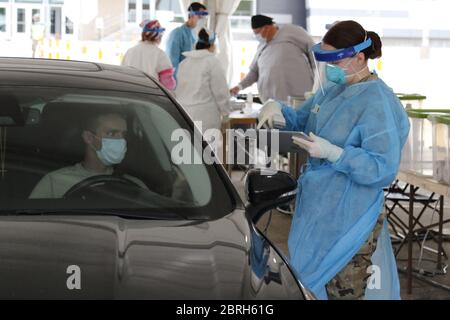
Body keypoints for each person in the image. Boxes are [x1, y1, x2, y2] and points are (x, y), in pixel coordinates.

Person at [257, 21, 410, 300]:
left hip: (350, 217)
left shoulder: (378, 101)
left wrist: (336, 154)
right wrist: (276, 109)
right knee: (308, 289)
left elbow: (382, 167)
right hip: (317, 212)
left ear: (360, 57)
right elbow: (303, 119)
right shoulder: (332, 91)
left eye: (334, 60)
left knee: (342, 292)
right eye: (324, 60)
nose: (329, 68)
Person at [29, 111, 147, 199]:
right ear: (89, 138)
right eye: (112, 133)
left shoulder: (134, 185)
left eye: (124, 135)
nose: (121, 140)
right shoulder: (54, 181)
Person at [230, 15, 315, 103]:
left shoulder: (291, 31)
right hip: (271, 101)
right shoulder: (261, 46)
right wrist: (239, 87)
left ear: (267, 28)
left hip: (298, 98)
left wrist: (318, 77)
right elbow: (254, 72)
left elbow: (313, 50)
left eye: (258, 33)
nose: (257, 36)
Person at [175, 28, 230, 134]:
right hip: (206, 117)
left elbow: (179, 90)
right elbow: (221, 91)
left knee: (186, 149)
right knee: (205, 150)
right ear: (212, 45)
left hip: (184, 114)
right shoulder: (212, 62)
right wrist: (226, 114)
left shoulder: (184, 63)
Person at [122, 20, 176, 90]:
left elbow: (122, 75)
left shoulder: (129, 51)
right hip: (150, 95)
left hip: (130, 93)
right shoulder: (159, 54)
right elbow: (168, 84)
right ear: (158, 37)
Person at [166, 2, 208, 76]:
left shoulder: (196, 34)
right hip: (180, 79)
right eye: (200, 16)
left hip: (192, 77)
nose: (202, 20)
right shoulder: (177, 33)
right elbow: (172, 63)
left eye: (204, 17)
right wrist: (176, 82)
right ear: (191, 15)